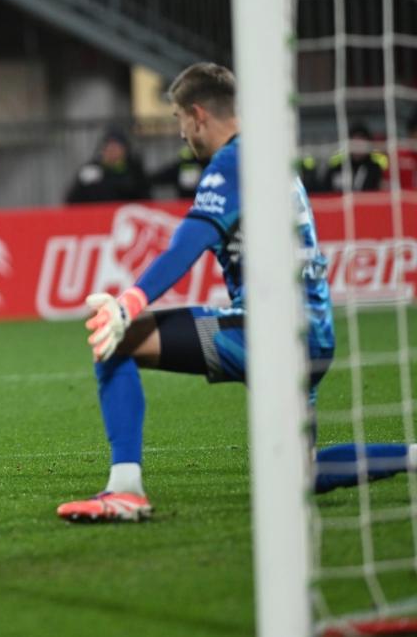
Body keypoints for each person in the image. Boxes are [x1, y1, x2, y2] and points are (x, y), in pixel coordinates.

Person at [57, 63, 413, 524]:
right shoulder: (271, 158)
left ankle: (125, 491)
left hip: (268, 332)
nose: (183, 135)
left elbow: (190, 241)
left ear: (198, 115)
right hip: (313, 336)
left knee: (116, 341)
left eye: (180, 121)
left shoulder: (232, 161)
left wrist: (129, 302)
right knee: (301, 472)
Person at [65, 128, 152, 204]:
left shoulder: (134, 170)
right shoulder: (91, 170)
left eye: (116, 147)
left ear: (125, 150)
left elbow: (145, 197)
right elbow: (72, 200)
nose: (112, 151)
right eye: (108, 146)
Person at [320, 121, 388, 193]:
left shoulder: (374, 170)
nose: (357, 146)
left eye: (361, 142)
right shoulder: (337, 169)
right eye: (355, 141)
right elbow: (325, 190)